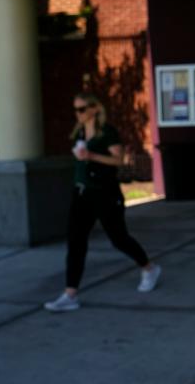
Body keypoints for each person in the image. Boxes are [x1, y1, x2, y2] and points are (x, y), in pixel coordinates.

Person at [44, 92, 161, 312]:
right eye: (75, 109)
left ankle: (148, 268)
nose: (77, 114)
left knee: (118, 238)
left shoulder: (107, 132)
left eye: (81, 109)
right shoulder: (79, 131)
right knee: (76, 242)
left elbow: (119, 160)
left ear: (94, 109)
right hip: (81, 193)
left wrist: (91, 156)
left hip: (105, 193)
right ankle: (70, 294)